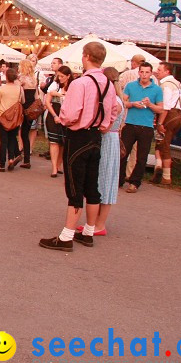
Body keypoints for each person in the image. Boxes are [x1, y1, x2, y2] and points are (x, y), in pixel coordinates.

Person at [39, 42, 116, 252]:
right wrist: (104, 125)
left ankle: (66, 236)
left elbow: (70, 114)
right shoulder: (109, 84)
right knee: (92, 185)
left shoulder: (80, 83)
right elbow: (114, 109)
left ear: (87, 56)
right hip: (96, 137)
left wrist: (63, 120)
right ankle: (89, 232)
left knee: (74, 186)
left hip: (79, 136)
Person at [81, 67, 124, 237]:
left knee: (106, 182)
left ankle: (100, 224)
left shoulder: (116, 102)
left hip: (108, 141)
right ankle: (94, 222)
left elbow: (106, 126)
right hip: (107, 140)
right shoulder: (114, 99)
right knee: (98, 180)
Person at [118, 62, 163, 193]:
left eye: (147, 72)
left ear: (151, 73)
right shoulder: (130, 86)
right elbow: (123, 102)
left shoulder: (157, 89)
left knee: (142, 157)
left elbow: (161, 108)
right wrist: (132, 104)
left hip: (146, 126)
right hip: (130, 124)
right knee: (122, 153)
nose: (144, 75)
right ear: (138, 72)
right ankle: (119, 180)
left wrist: (150, 105)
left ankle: (135, 182)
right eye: (142, 72)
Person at [153, 62, 181, 186]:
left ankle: (166, 177)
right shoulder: (177, 83)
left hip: (169, 116)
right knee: (161, 143)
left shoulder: (165, 85)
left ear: (167, 71)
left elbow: (165, 107)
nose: (157, 71)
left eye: (159, 69)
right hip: (178, 115)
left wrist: (160, 123)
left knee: (164, 145)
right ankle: (158, 169)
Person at [43, 66, 72, 178]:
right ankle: (54, 167)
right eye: (58, 76)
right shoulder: (55, 84)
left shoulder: (72, 86)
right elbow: (48, 100)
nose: (59, 78)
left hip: (66, 117)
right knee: (54, 142)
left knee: (62, 143)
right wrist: (55, 115)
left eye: (62, 76)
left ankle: (59, 165)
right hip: (54, 115)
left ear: (68, 76)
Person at [0, 68, 23, 171]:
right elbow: (22, 101)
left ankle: (2, 164)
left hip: (3, 117)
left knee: (3, 141)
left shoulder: (2, 89)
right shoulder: (19, 88)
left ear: (6, 77)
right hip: (15, 118)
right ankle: (11, 158)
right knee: (12, 138)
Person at [17, 59, 38, 168]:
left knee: (20, 132)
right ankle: (26, 158)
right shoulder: (34, 80)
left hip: (23, 107)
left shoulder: (21, 79)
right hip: (31, 108)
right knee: (26, 132)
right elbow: (36, 97)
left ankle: (18, 155)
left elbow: (20, 95)